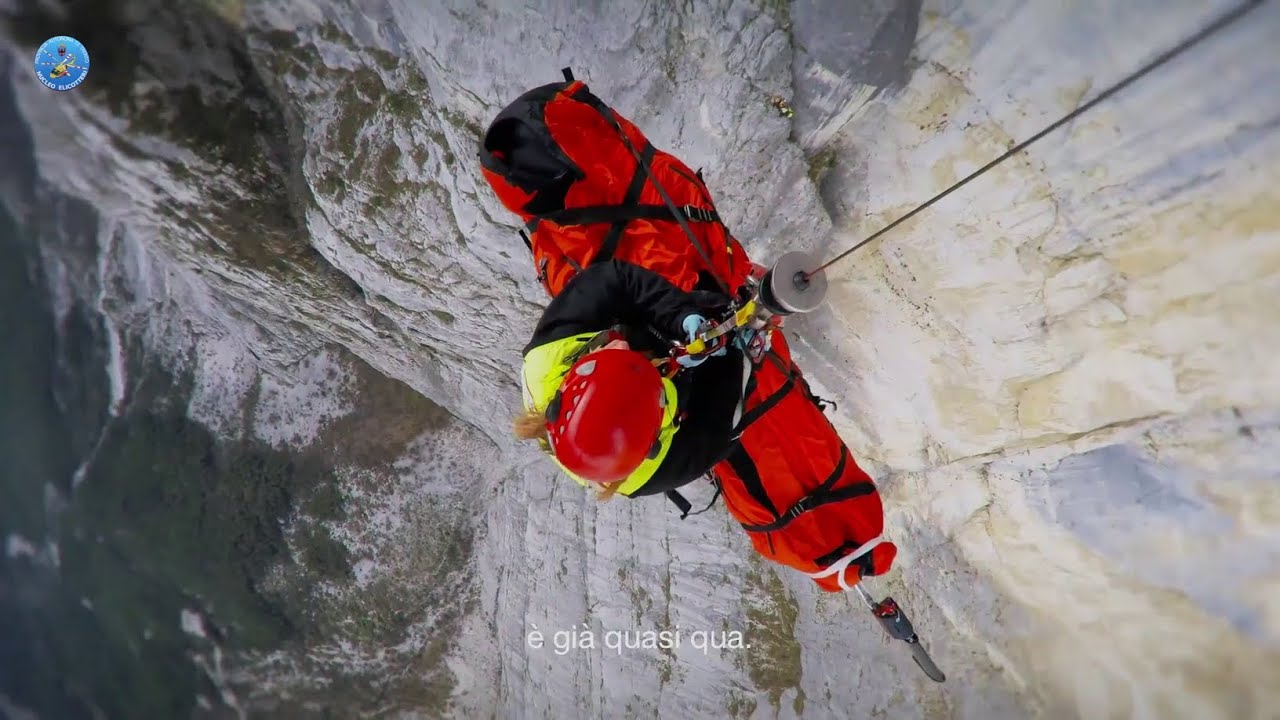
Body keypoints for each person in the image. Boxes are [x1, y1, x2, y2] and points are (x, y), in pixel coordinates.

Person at [514, 258, 898, 592]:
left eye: (612, 352)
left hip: (622, 358)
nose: (621, 345)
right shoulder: (663, 467)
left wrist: (680, 317)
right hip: (672, 402)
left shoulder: (548, 355)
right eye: (624, 355)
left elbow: (615, 280)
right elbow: (726, 411)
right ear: (654, 433)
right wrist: (732, 341)